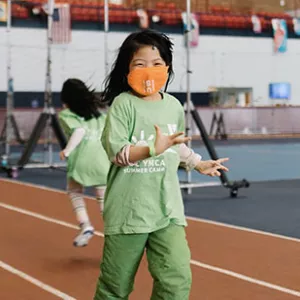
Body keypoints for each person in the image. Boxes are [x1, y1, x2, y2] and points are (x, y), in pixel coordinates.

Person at [94, 29, 229, 300]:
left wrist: (198, 163)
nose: (149, 70)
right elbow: (117, 153)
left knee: (176, 280)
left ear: (167, 67)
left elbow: (174, 144)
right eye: (139, 64)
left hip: (167, 211)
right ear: (126, 69)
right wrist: (151, 149)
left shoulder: (174, 106)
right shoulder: (123, 105)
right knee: (115, 287)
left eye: (157, 64)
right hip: (129, 213)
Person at [59, 78, 110, 247]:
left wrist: (67, 150)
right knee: (103, 199)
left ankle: (86, 225)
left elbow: (79, 131)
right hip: (103, 160)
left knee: (74, 192)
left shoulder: (66, 115)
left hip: (82, 160)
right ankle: (114, 233)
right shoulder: (100, 116)